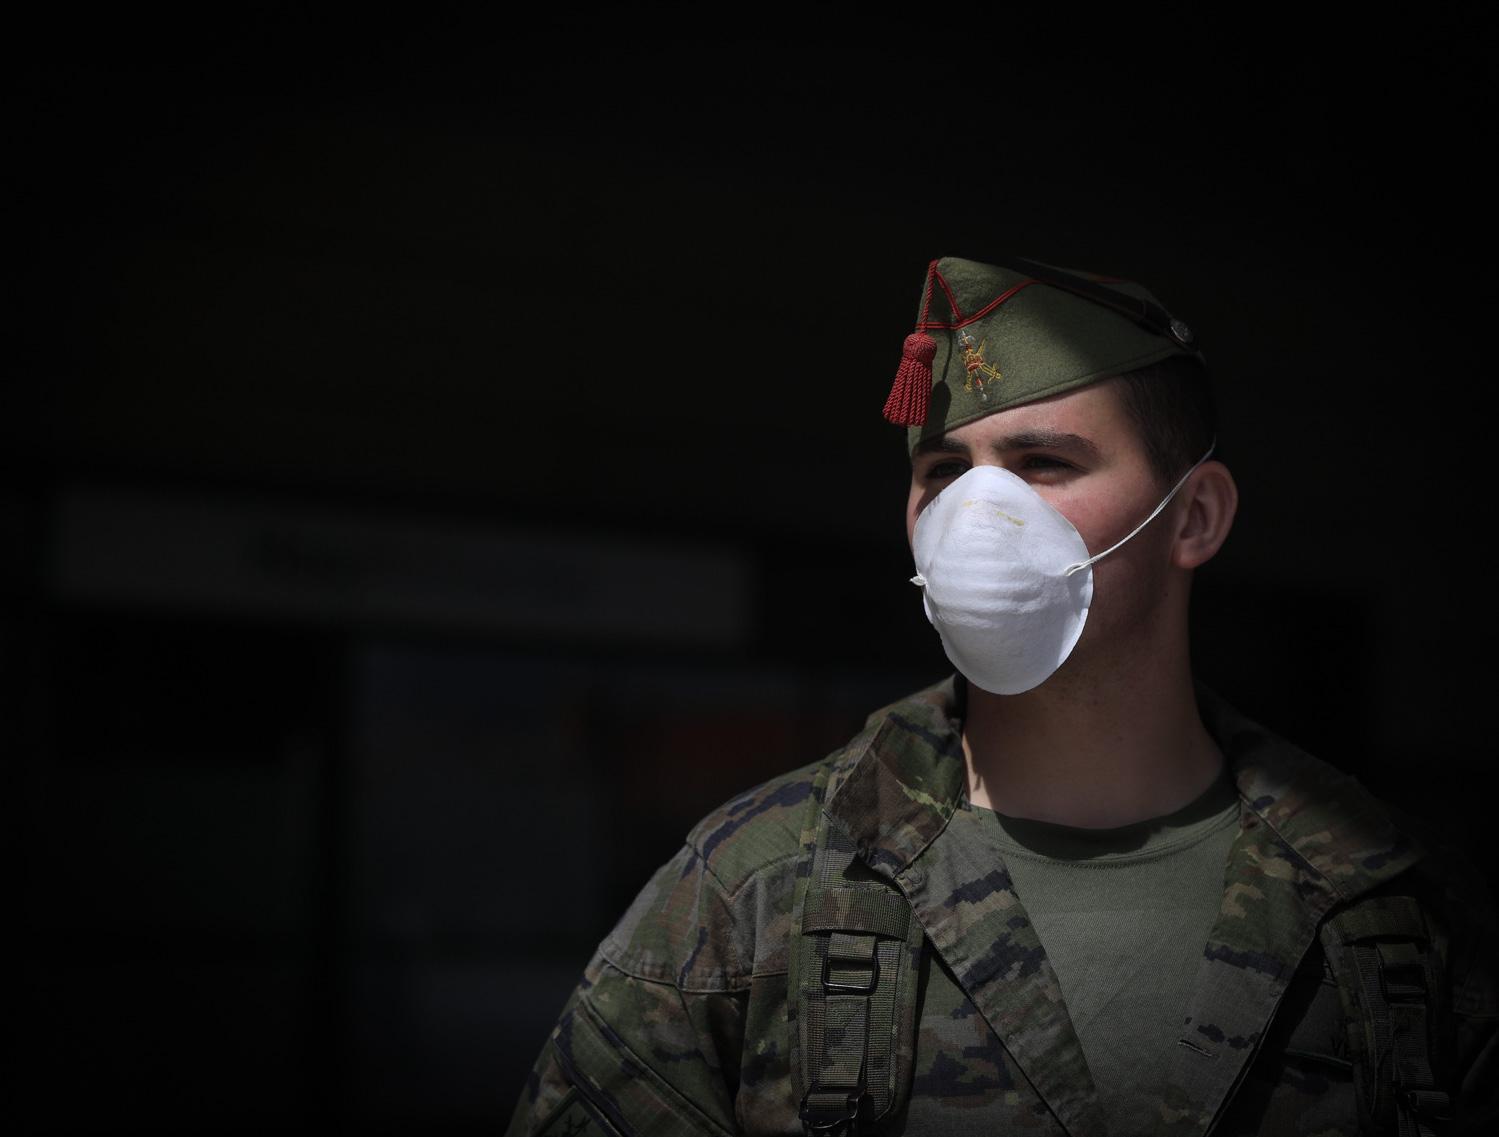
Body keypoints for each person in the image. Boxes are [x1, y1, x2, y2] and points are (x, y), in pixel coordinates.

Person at [505, 256, 1497, 1136]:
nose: (977, 514)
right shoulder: (759, 889)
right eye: (943, 471)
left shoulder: (1385, 910)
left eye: (1042, 463)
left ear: (1190, 517)